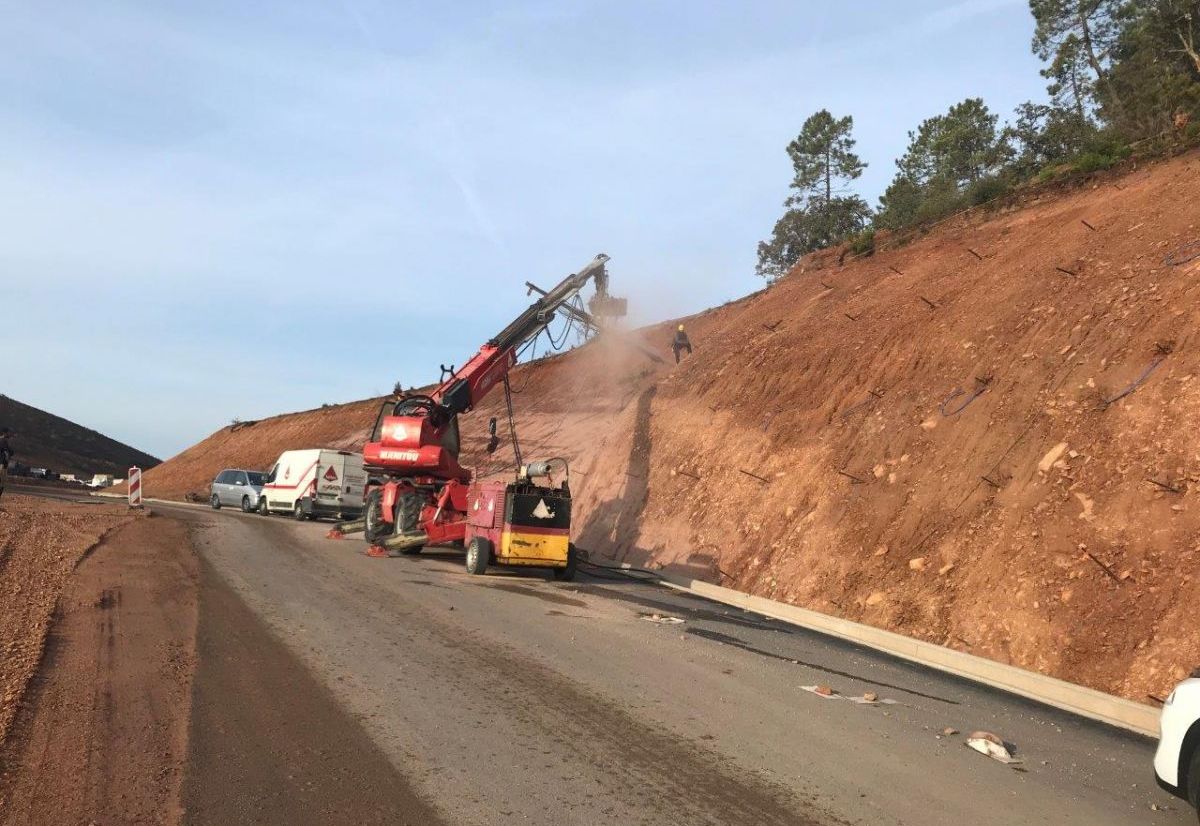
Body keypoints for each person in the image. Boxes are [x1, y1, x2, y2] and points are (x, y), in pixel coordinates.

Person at [0, 427, 11, 501]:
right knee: (2, 483)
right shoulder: (3, 441)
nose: (9, 434)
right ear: (4, 433)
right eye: (8, 433)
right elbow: (7, 452)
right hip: (2, 464)